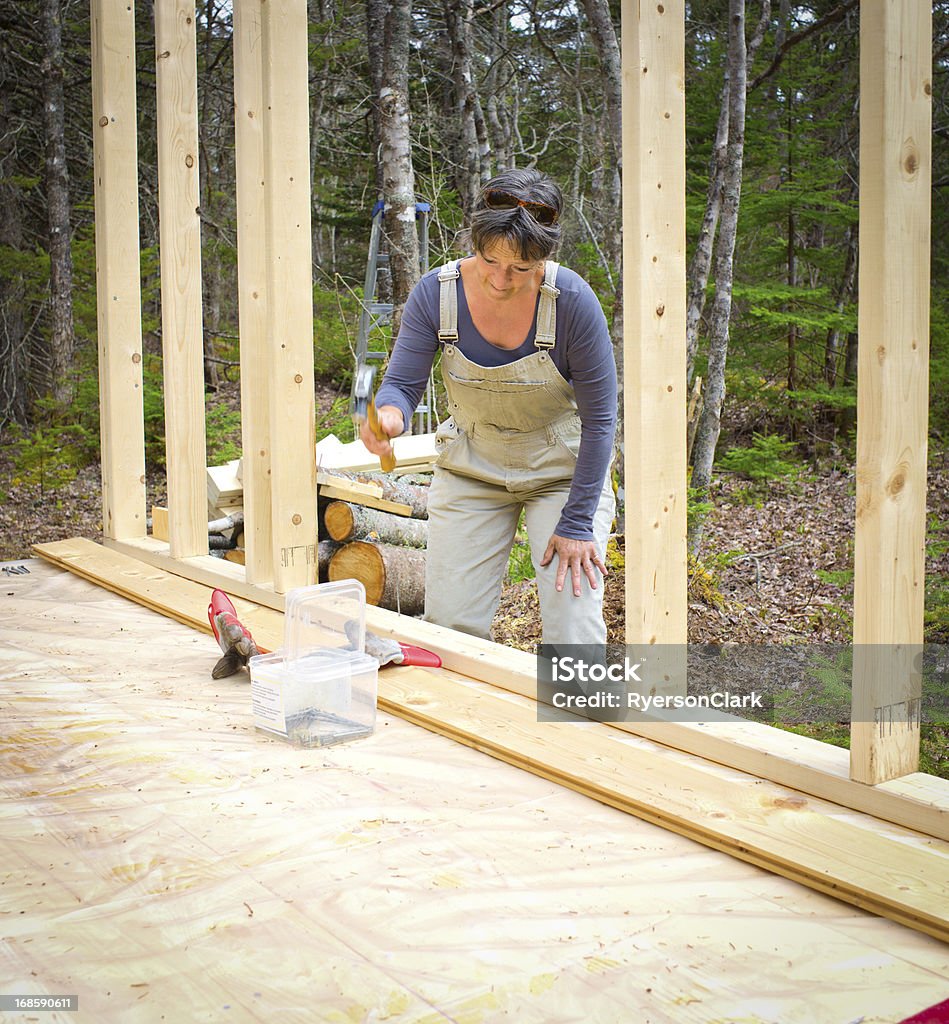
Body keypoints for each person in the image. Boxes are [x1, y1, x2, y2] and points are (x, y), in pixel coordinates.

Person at [359, 168, 617, 645]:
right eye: (488, 260)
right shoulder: (437, 293)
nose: (500, 280)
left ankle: (579, 713)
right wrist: (390, 417)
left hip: (563, 473)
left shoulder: (573, 302)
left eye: (520, 269)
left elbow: (601, 422)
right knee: (450, 627)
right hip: (472, 466)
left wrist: (578, 522)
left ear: (544, 258)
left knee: (573, 625)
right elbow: (401, 382)